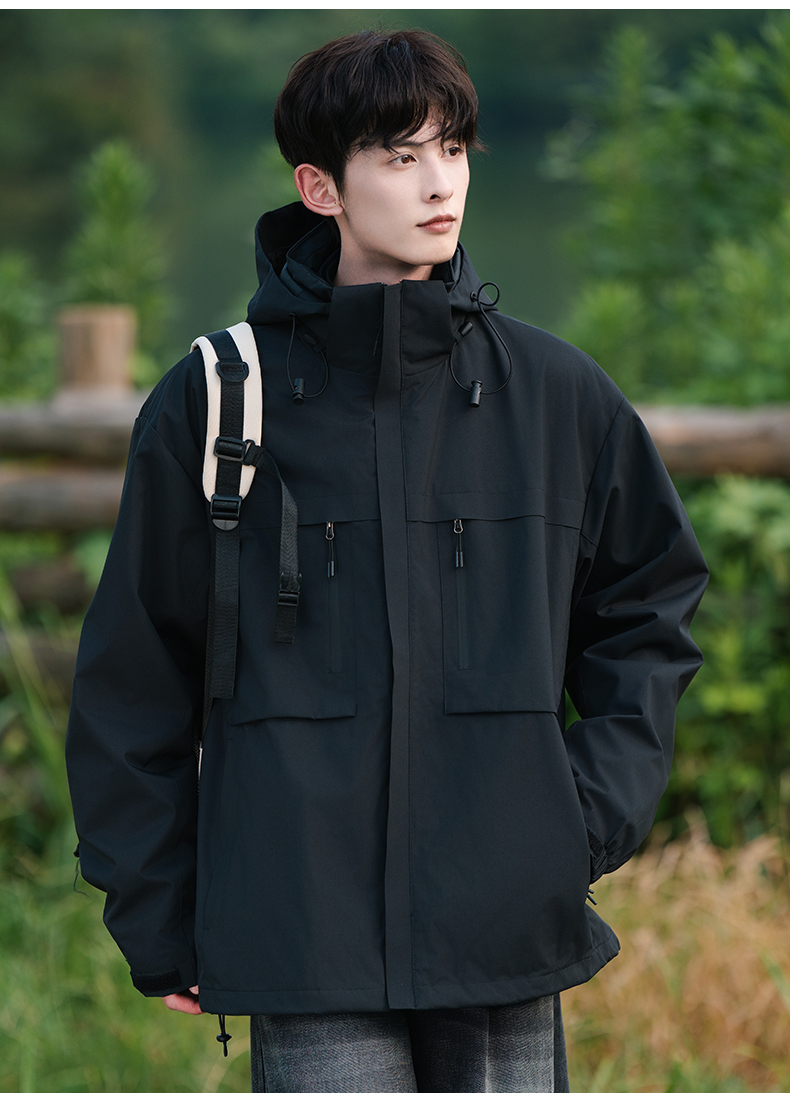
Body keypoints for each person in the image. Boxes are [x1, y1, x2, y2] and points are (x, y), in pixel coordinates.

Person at [65, 28, 708, 1093]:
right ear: (320, 187)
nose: (439, 184)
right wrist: (159, 903)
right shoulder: (216, 400)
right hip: (300, 926)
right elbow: (135, 674)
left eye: (452, 150)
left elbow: (648, 611)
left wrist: (579, 818)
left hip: (503, 915)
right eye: (400, 156)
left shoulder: (557, 397)